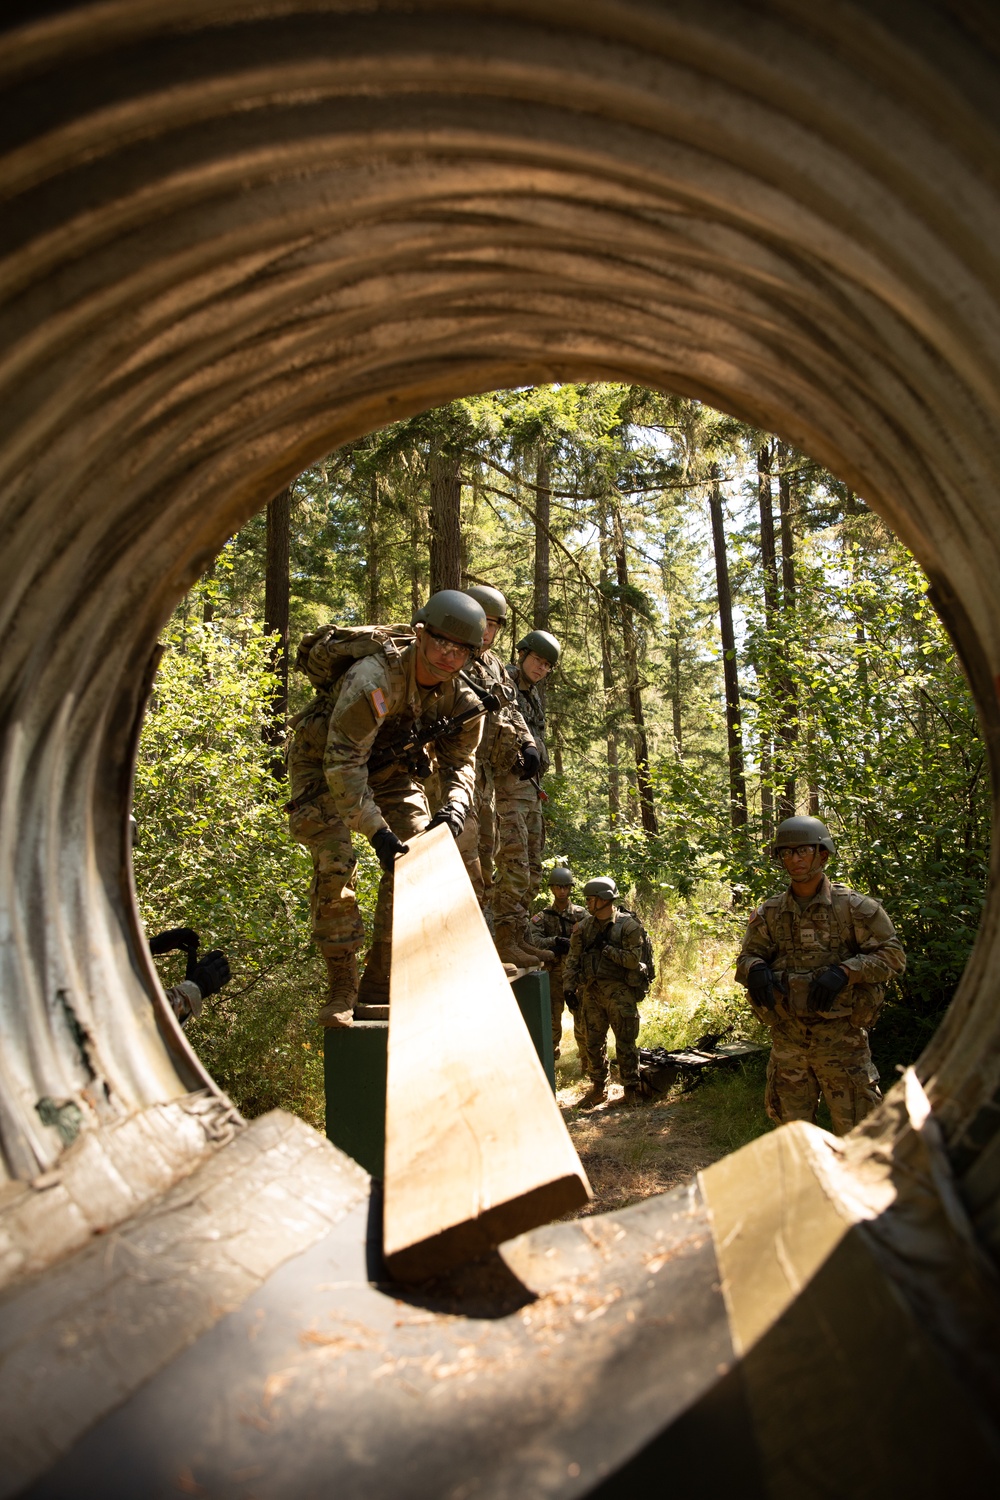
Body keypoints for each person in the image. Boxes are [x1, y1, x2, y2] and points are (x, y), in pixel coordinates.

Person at [287, 590, 487, 1027]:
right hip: (324, 767)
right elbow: (342, 763)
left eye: (462, 651)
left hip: (388, 769)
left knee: (420, 854)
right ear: (420, 633)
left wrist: (454, 806)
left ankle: (382, 980)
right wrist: (376, 831)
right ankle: (342, 982)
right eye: (441, 644)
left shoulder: (463, 699)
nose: (449, 657)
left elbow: (461, 764)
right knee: (336, 859)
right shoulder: (373, 678)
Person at [735, 815, 906, 1135]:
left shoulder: (855, 908)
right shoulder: (769, 913)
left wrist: (846, 971)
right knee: (794, 1141)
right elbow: (747, 956)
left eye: (802, 851)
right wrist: (755, 969)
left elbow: (893, 957)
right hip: (788, 1045)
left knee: (859, 1136)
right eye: (786, 853)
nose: (794, 860)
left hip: (843, 1045)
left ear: (822, 854)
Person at [455, 587, 537, 958]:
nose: (487, 633)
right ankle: (469, 950)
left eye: (494, 626)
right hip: (457, 771)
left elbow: (512, 708)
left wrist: (528, 742)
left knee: (486, 860)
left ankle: (486, 946)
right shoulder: (452, 657)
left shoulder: (493, 664)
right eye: (483, 623)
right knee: (466, 858)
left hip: (486, 777)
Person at [493, 628, 560, 968]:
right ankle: (503, 940)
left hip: (531, 789)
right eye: (538, 660)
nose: (541, 669)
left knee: (532, 868)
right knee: (513, 864)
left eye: (547, 665)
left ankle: (519, 936)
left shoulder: (532, 694)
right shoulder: (501, 680)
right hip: (507, 788)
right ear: (523, 654)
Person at [563, 876, 651, 1108]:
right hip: (592, 991)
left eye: (591, 900)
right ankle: (599, 1087)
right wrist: (569, 987)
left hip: (620, 992)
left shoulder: (628, 926)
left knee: (625, 1042)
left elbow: (633, 961)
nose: (588, 904)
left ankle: (630, 1088)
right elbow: (573, 959)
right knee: (593, 1042)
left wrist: (608, 950)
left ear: (604, 900)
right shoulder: (583, 928)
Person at [528, 865, 588, 1065]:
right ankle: (550, 1061)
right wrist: (554, 942)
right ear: (551, 889)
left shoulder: (581, 914)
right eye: (558, 887)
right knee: (552, 1018)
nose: (562, 891)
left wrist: (573, 945)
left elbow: (592, 937)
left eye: (565, 887)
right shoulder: (543, 916)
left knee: (581, 1017)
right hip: (553, 974)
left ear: (570, 888)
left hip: (575, 975)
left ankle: (587, 1060)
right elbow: (532, 940)